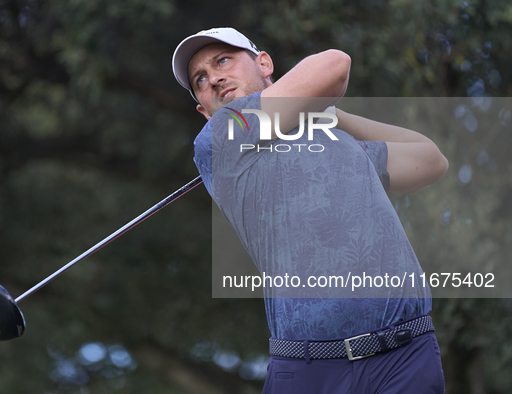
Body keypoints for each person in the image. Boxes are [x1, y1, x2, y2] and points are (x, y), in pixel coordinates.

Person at [172, 27, 448, 393]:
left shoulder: (334, 142)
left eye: (223, 60)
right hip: (310, 371)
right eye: (200, 80)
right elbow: (334, 65)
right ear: (203, 111)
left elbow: (431, 159)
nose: (214, 78)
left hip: (405, 358)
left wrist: (331, 117)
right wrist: (315, 103)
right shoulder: (222, 135)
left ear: (264, 63)